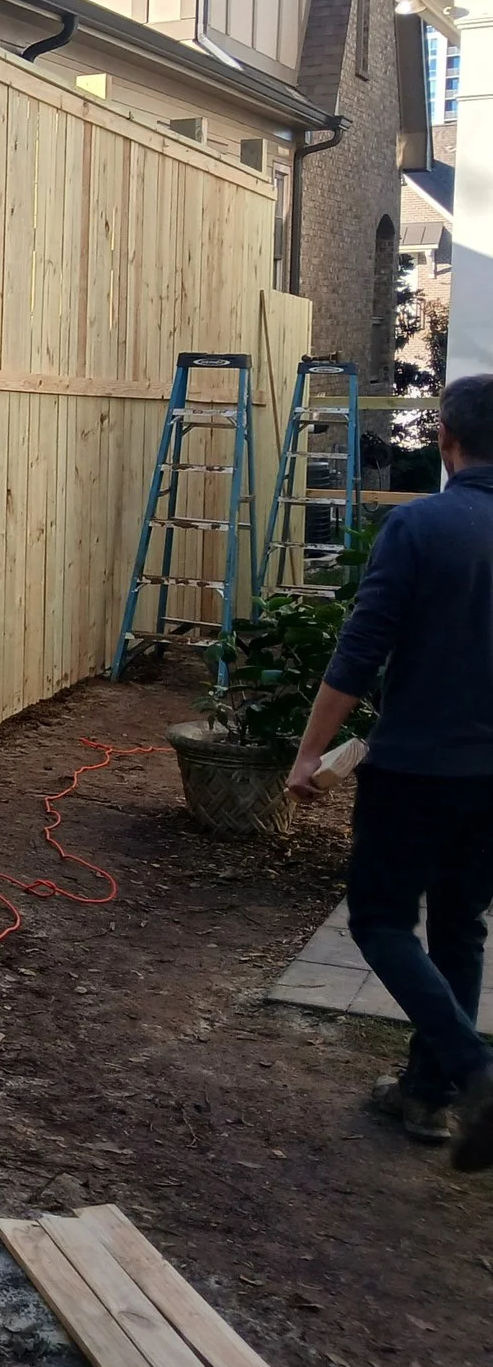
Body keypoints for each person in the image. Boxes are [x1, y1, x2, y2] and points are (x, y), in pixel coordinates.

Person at [289, 372, 493, 1170]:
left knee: (379, 920)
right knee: (460, 925)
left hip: (413, 771)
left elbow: (359, 651)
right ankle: (429, 1095)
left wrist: (309, 754)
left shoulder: (420, 526)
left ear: (445, 437)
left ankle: (474, 1072)